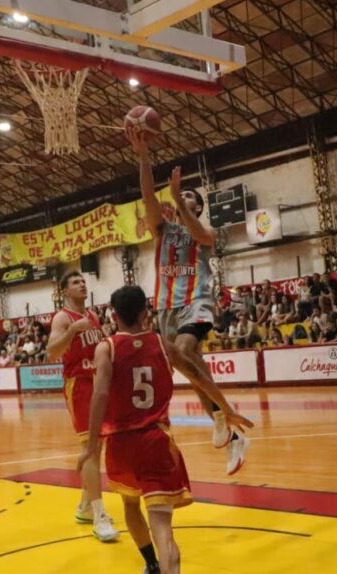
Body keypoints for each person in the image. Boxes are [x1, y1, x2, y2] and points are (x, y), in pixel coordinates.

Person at [78, 285, 253, 574]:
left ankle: (150, 564)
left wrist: (90, 444)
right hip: (155, 442)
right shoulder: (162, 344)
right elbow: (198, 375)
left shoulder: (105, 347)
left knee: (131, 505)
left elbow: (99, 395)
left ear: (113, 314)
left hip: (120, 445)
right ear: (145, 313)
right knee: (163, 528)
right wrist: (225, 410)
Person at [128, 124, 249, 475]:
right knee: (188, 363)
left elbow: (200, 234)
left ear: (197, 205)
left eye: (194, 198)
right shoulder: (161, 229)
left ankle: (221, 417)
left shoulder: (206, 231)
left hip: (197, 299)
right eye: (184, 197)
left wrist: (180, 199)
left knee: (183, 349)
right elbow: (148, 195)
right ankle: (228, 428)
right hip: (165, 307)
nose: (187, 199)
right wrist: (144, 155)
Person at [46, 271, 119, 542]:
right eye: (75, 283)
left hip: (97, 382)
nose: (82, 285)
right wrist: (72, 332)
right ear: (65, 291)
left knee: (97, 447)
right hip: (79, 385)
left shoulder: (94, 317)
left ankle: (86, 507)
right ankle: (99, 517)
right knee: (89, 448)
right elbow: (52, 351)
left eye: (83, 282)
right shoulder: (63, 317)